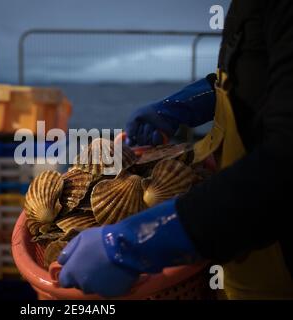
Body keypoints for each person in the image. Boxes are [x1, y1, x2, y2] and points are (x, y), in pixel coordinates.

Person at [57, 0, 293, 299]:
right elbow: (255, 76)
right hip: (237, 251)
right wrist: (183, 105)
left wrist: (141, 240)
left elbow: (285, 165)